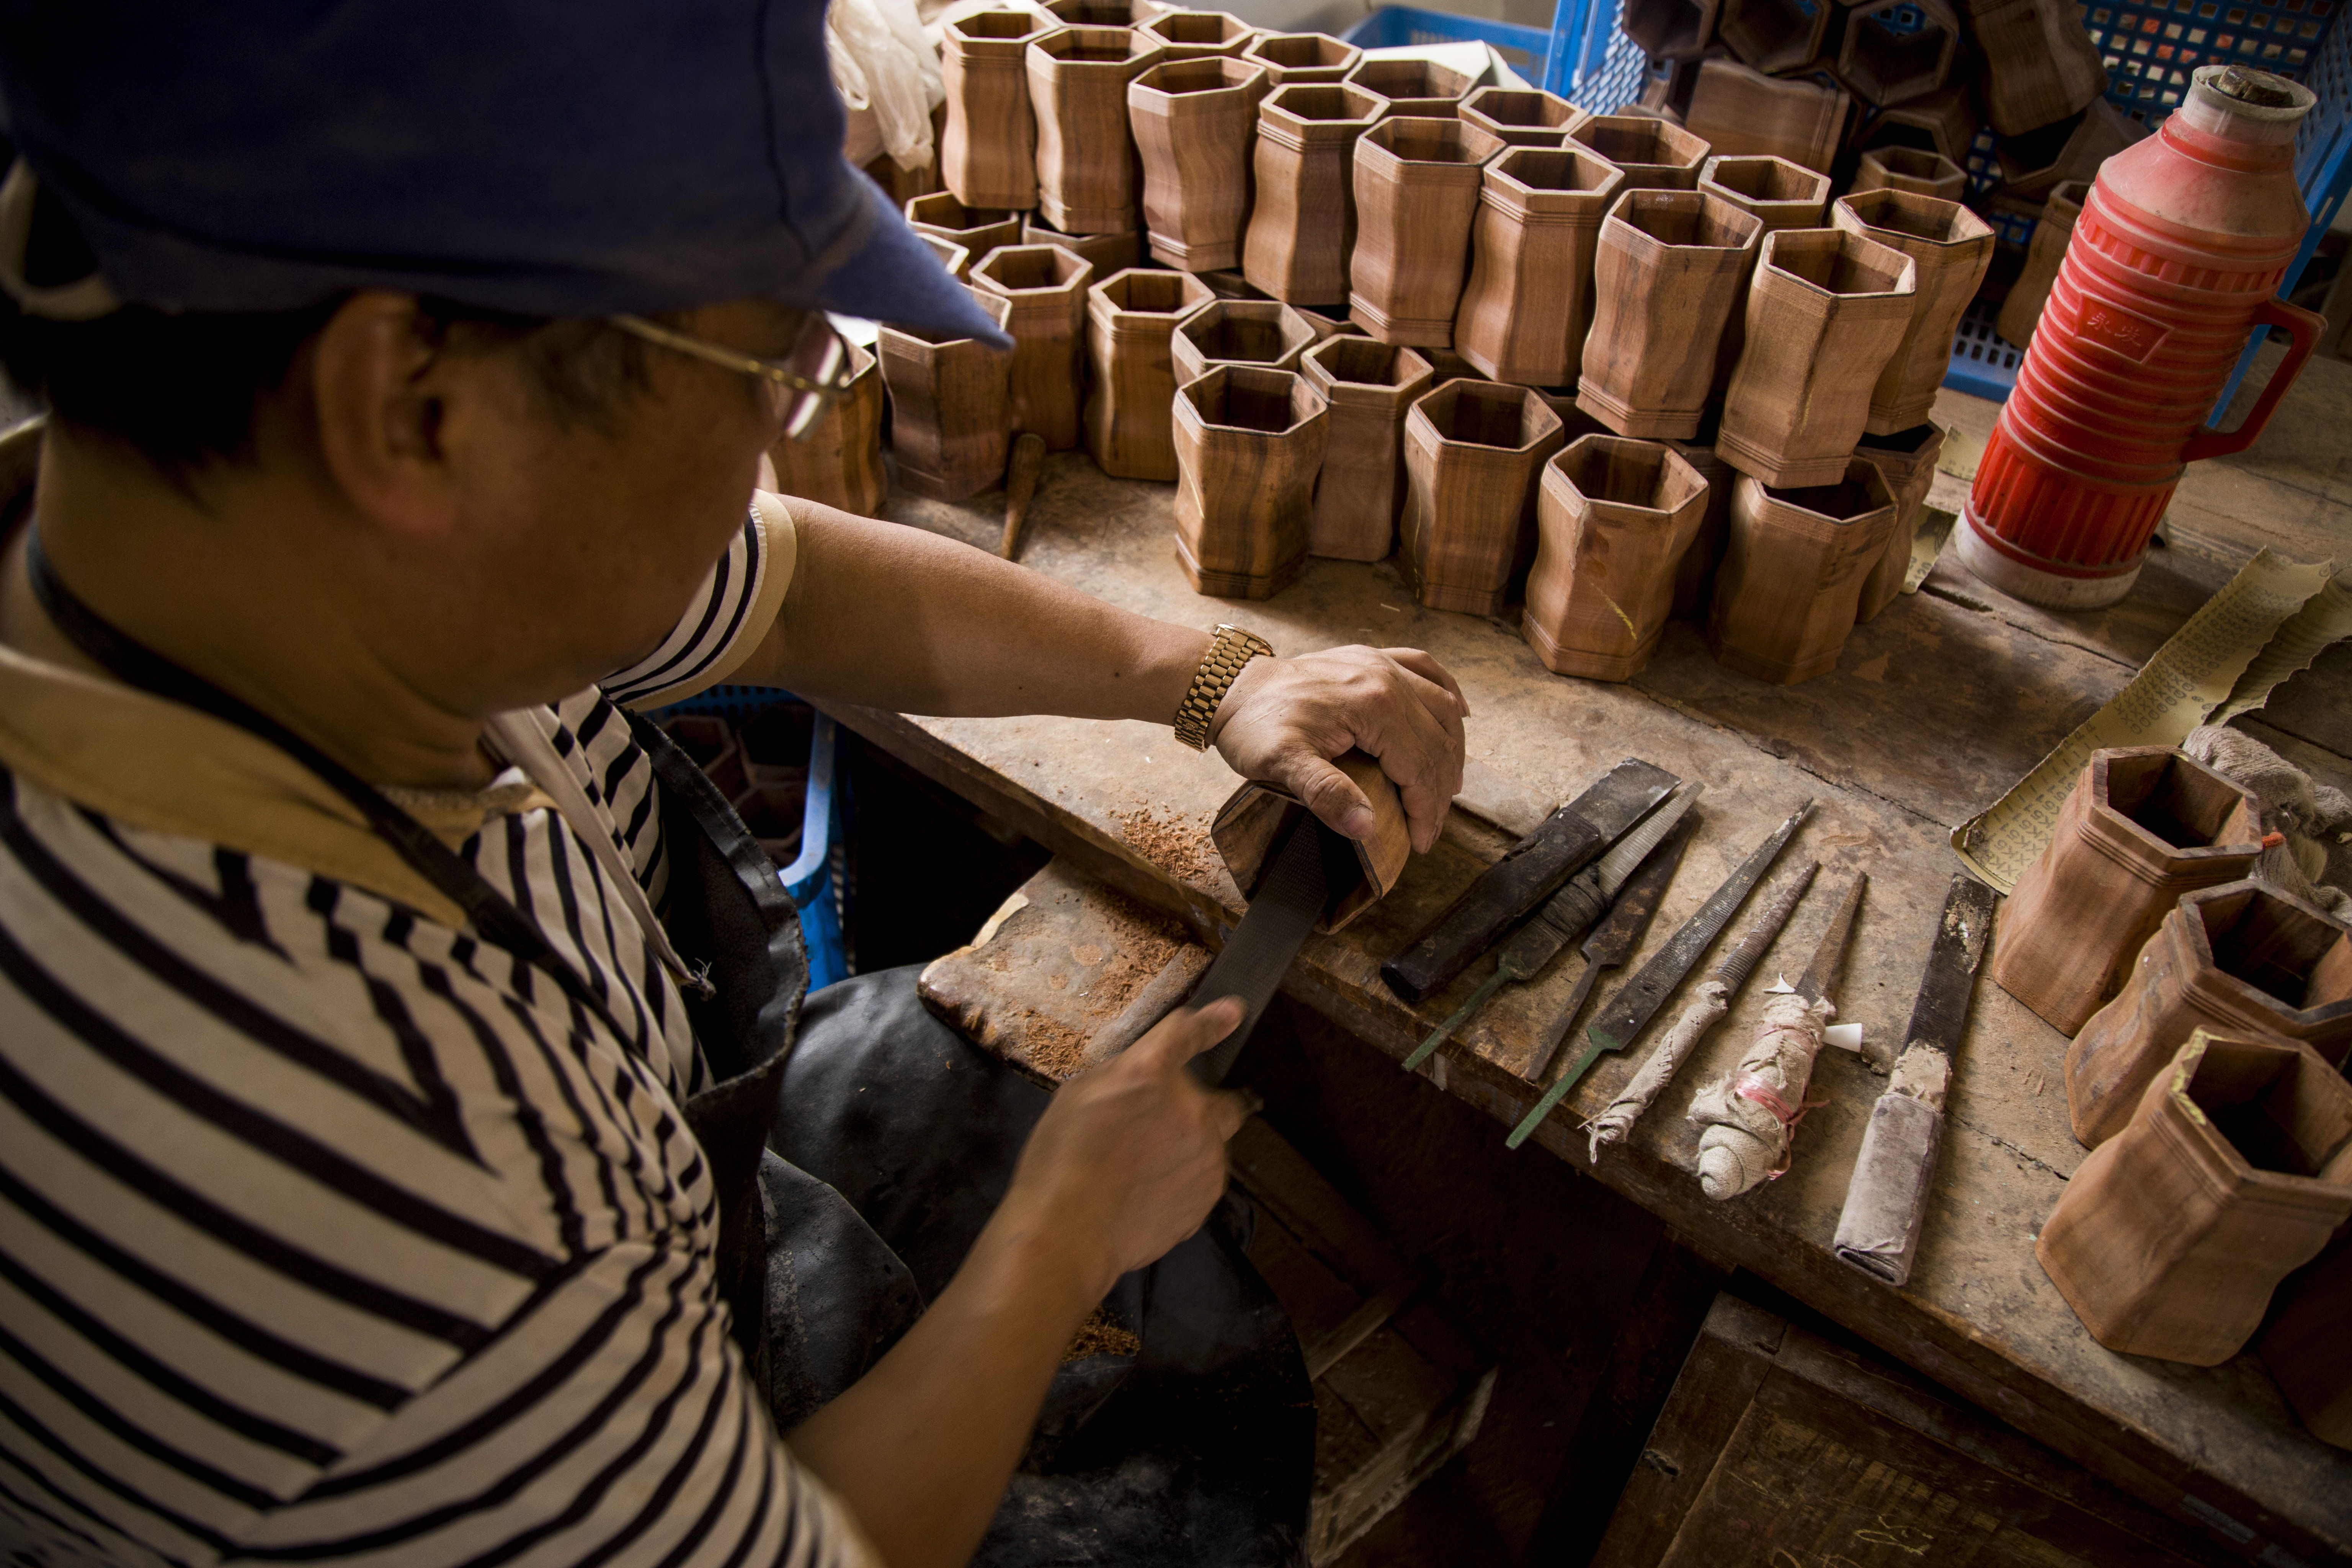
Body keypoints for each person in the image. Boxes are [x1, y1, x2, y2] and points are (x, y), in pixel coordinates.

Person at [0, 4, 1469, 1566]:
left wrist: (1204, 677)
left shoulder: (281, 552)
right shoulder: (379, 1196)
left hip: (645, 1233)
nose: (780, 443)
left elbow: (777, 585)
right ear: (410, 409)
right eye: (770, 371)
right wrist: (1058, 1241)